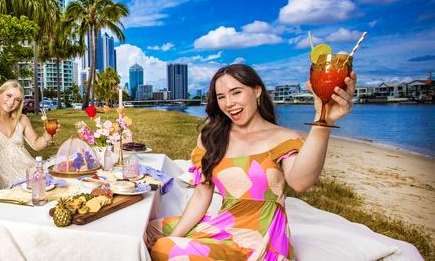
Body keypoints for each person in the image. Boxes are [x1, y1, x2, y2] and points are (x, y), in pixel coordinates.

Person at [148, 64, 356, 260]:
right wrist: (175, 236)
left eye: (236, 92)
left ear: (257, 91)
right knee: (150, 229)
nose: (229, 103)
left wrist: (323, 121)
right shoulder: (211, 137)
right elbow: (202, 193)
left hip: (259, 239)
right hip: (224, 226)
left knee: (163, 249)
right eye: (221, 97)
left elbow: (300, 182)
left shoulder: (283, 138)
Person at [0, 80, 56, 188]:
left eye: (17, 99)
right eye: (9, 95)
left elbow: (37, 145)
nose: (11, 102)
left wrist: (48, 133)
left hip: (29, 170)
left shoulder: (22, 119)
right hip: (5, 177)